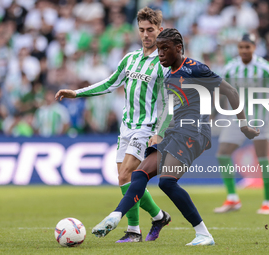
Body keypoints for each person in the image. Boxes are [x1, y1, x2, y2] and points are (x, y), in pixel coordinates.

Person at [91, 28, 259, 246]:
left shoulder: (195, 69)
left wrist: (244, 125)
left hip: (194, 131)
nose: (159, 53)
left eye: (164, 49)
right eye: (158, 49)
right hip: (175, 131)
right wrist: (159, 133)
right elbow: (170, 108)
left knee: (168, 182)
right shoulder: (169, 74)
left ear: (178, 48)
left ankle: (203, 234)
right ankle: (115, 216)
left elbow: (231, 92)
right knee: (140, 173)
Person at [55, 7, 171, 243]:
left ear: (160, 30)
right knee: (124, 179)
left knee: (127, 174)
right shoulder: (130, 58)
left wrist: (159, 132)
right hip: (126, 126)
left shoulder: (163, 63)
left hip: (146, 129)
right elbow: (109, 84)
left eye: (150, 30)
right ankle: (158, 216)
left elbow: (170, 103)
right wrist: (76, 93)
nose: (146, 34)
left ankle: (133, 231)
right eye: (142, 30)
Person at [214, 34, 269, 215]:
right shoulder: (231, 67)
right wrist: (212, 113)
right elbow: (222, 92)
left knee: (262, 158)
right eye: (241, 47)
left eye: (247, 47)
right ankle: (232, 199)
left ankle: (268, 202)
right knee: (222, 154)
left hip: (259, 118)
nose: (244, 50)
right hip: (236, 119)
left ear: (254, 47)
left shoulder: (264, 68)